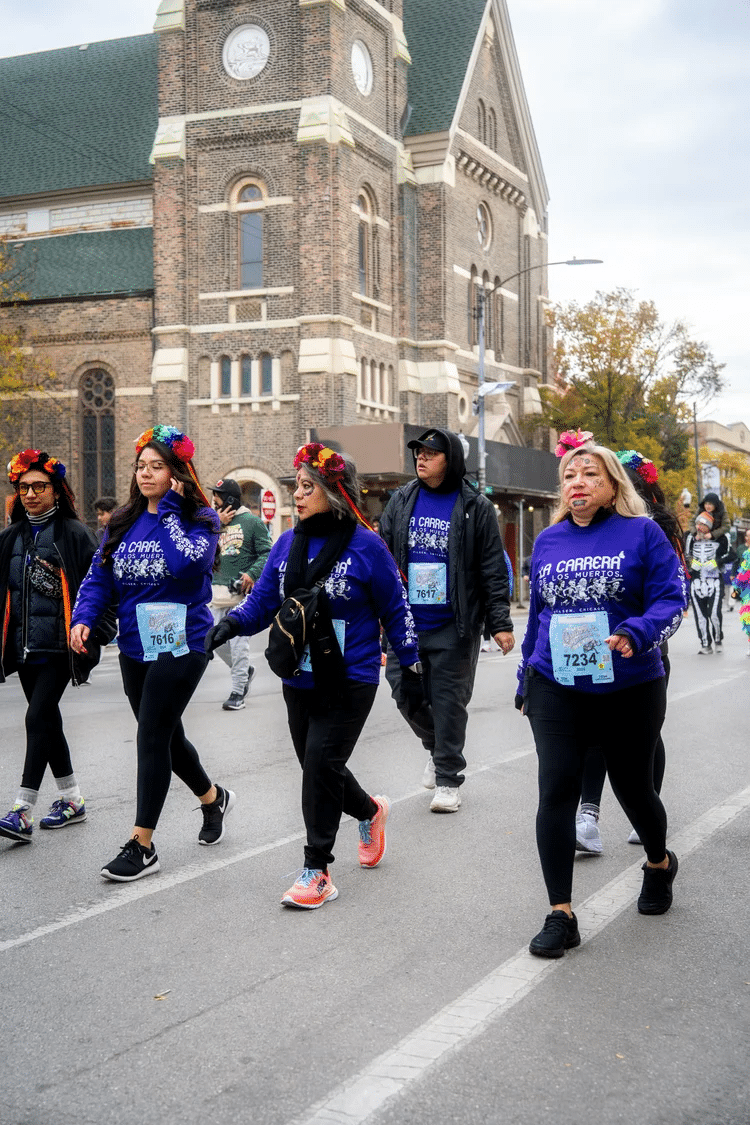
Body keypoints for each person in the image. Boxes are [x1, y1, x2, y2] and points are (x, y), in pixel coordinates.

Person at [205, 443, 421, 909]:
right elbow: (263, 602)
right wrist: (230, 624)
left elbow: (396, 609)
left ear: (335, 491)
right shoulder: (286, 544)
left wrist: (413, 664)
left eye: (308, 487)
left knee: (320, 767)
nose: (297, 496)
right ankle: (370, 811)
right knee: (319, 767)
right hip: (299, 675)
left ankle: (317, 870)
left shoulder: (367, 546)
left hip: (351, 677)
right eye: (296, 487)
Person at [517, 440, 686, 958]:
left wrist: (638, 631)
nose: (578, 482)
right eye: (570, 475)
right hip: (557, 684)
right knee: (557, 791)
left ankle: (658, 862)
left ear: (613, 485)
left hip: (629, 684)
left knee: (634, 788)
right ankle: (560, 913)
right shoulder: (547, 540)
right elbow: (539, 616)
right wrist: (527, 674)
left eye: (590, 474)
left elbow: (670, 598)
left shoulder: (643, 533)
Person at [70, 424, 233, 881]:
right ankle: (213, 797)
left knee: (151, 738)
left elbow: (189, 564)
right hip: (135, 646)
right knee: (165, 736)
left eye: (157, 466)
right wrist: (83, 617)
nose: (146, 474)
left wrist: (171, 513)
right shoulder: (122, 521)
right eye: (141, 466)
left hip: (184, 644)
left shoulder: (201, 520)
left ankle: (142, 844)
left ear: (177, 473)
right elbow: (99, 578)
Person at [380, 428, 513, 812]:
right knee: (405, 693)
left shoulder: (475, 506)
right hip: (405, 623)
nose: (420, 459)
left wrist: (499, 622)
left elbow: (491, 567)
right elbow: (383, 557)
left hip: (454, 624)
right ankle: (439, 750)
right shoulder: (401, 500)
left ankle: (448, 780)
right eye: (418, 453)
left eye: (431, 453)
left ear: (450, 459)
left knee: (448, 700)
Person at [575, 449, 687, 853]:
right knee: (590, 735)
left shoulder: (651, 528)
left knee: (642, 737)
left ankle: (646, 810)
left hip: (642, 648)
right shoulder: (579, 524)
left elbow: (674, 591)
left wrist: (640, 628)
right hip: (586, 644)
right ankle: (587, 816)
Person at [0, 450, 115, 844]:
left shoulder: (75, 533)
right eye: (23, 487)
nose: (31, 494)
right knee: (47, 721)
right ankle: (71, 799)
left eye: (39, 486)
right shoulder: (10, 537)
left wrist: (95, 632)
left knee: (36, 718)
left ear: (56, 490)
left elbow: (101, 588)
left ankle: (21, 809)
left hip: (61, 649)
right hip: (24, 648)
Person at [210, 477, 272, 711]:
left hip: (240, 596)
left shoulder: (252, 523)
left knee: (238, 644)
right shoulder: (214, 523)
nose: (214, 500)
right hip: (216, 594)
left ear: (230, 499)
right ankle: (245, 672)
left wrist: (252, 574)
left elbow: (267, 553)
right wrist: (216, 524)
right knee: (215, 640)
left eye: (218, 496)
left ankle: (238, 691)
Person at [685, 509, 731, 654]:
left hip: (714, 581)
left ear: (709, 527)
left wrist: (717, 562)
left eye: (702, 524)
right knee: (700, 616)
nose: (699, 527)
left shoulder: (721, 538)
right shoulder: (690, 538)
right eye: (697, 523)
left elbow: (731, 554)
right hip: (697, 582)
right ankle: (705, 644)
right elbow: (685, 556)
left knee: (714, 614)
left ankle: (717, 639)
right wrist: (691, 564)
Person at [731, 528, 750, 653]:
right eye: (748, 536)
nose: (749, 538)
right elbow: (739, 567)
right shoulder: (743, 550)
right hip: (747, 590)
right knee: (747, 617)